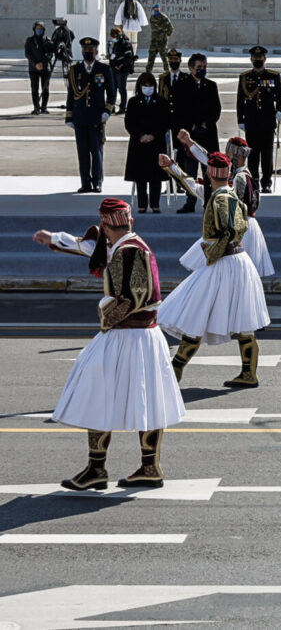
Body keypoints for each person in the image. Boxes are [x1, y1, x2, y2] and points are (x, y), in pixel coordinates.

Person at [32, 197, 184, 490]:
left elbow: (135, 297)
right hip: (140, 336)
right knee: (147, 399)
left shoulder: (130, 251)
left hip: (128, 333)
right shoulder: (123, 245)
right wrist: (54, 238)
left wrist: (106, 315)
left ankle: (98, 469)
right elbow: (90, 248)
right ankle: (146, 467)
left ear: (104, 224)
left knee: (96, 391)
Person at [157, 151, 271, 388]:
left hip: (224, 263)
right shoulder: (229, 193)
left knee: (195, 313)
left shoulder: (219, 198)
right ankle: (249, 373)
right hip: (239, 262)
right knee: (243, 321)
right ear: (227, 173)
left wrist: (213, 254)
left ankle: (175, 369)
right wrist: (172, 168)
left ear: (209, 173)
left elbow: (229, 231)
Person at [166, 132, 275, 277]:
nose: (227, 156)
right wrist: (189, 143)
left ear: (239, 155)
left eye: (229, 153)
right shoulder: (238, 174)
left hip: (238, 228)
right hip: (240, 226)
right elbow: (211, 160)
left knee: (228, 272)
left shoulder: (238, 178)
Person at [65, 37, 114, 194]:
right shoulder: (75, 70)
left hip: (96, 117)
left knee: (96, 151)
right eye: (85, 50)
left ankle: (97, 181)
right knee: (83, 152)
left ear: (96, 51)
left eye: (90, 50)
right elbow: (71, 94)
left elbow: (112, 93)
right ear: (82, 51)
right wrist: (69, 116)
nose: (88, 52)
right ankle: (85, 182)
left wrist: (107, 110)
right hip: (80, 117)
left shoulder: (104, 69)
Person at [174, 53, 221, 214]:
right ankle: (190, 202)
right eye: (199, 67)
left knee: (209, 172)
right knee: (190, 173)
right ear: (191, 68)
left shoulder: (211, 85)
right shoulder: (182, 85)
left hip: (208, 134)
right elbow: (180, 110)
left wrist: (205, 124)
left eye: (204, 67)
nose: (202, 70)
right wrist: (191, 126)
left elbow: (216, 109)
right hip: (190, 136)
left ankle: (209, 202)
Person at [237, 45, 281, 193]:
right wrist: (241, 119)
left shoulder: (273, 76)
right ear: (251, 59)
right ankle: (254, 182)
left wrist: (279, 111)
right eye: (255, 57)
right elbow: (240, 100)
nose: (257, 60)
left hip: (267, 122)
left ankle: (266, 182)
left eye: (260, 57)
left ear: (265, 59)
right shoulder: (245, 77)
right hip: (251, 122)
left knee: (267, 155)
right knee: (252, 155)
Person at [124, 72, 172, 214]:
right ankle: (142, 204)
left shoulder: (161, 102)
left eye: (150, 86)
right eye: (145, 86)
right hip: (139, 143)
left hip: (155, 143)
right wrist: (140, 135)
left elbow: (165, 122)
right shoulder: (133, 102)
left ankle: (155, 204)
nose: (148, 88)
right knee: (140, 176)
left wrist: (153, 135)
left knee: (155, 176)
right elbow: (129, 123)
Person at [24, 21, 54, 115]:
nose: (39, 30)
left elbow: (50, 54)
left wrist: (43, 63)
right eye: (37, 28)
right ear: (34, 29)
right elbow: (28, 54)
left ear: (44, 29)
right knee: (34, 88)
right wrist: (36, 64)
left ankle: (44, 108)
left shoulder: (47, 40)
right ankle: (36, 108)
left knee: (45, 88)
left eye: (41, 28)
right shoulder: (30, 40)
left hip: (45, 68)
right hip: (33, 68)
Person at [108, 27, 135, 114]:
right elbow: (115, 55)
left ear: (118, 35)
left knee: (121, 89)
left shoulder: (126, 43)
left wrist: (120, 65)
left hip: (122, 70)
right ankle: (111, 107)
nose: (113, 39)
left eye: (114, 37)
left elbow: (128, 57)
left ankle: (123, 107)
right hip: (113, 68)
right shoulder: (117, 44)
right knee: (112, 88)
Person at [145, 4, 173, 74]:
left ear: (159, 9)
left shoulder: (164, 17)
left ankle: (167, 72)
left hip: (162, 41)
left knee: (164, 58)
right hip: (154, 41)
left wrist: (168, 35)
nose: (156, 10)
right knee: (151, 58)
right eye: (155, 9)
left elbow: (171, 27)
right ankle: (148, 72)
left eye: (157, 9)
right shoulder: (152, 18)